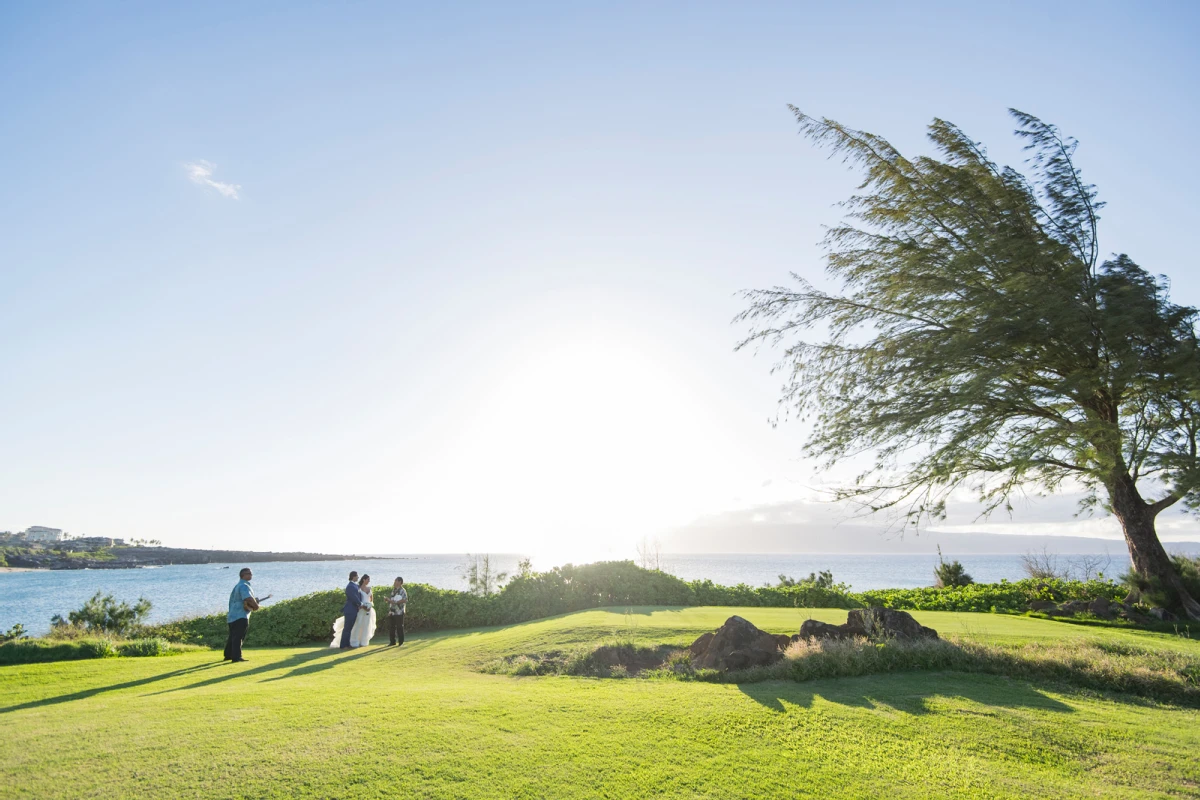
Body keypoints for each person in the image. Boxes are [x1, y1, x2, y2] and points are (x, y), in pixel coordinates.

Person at [224, 567, 270, 662]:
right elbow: (248, 598)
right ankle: (236, 657)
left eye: (251, 573)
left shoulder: (237, 586)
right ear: (243, 575)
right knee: (239, 637)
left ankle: (228, 655)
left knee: (233, 636)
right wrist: (256, 606)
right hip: (241, 615)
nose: (251, 575)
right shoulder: (244, 586)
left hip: (232, 615)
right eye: (248, 573)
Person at [337, 571, 361, 649]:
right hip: (350, 609)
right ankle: (343, 645)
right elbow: (354, 597)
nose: (358, 577)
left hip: (353, 609)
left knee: (349, 628)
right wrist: (360, 603)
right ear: (353, 576)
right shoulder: (350, 586)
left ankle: (347, 644)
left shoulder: (354, 585)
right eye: (357, 576)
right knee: (347, 628)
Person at [387, 576, 407, 646]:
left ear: (400, 582)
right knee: (391, 627)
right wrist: (388, 601)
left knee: (399, 627)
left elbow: (405, 600)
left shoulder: (402, 591)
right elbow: (392, 599)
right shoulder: (393, 590)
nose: (394, 582)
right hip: (392, 611)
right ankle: (392, 641)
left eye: (396, 581)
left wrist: (396, 602)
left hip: (399, 611)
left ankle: (401, 642)